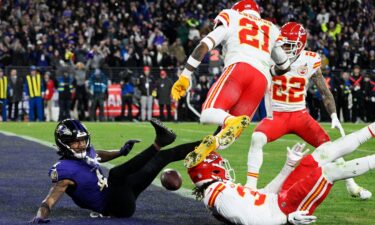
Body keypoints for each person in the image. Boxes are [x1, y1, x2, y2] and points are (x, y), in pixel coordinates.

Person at [245, 22, 372, 199]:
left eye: (289, 45)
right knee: (257, 138)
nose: (284, 49)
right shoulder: (269, 56)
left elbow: (325, 92)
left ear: (300, 45)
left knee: (331, 147)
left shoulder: (310, 60)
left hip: (300, 115)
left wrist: (334, 115)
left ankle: (352, 186)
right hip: (277, 116)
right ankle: (250, 186)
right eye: (282, 44)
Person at [171, 0, 291, 168]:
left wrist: (185, 75)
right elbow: (284, 66)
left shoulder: (232, 16)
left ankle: (229, 121)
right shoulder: (271, 28)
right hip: (262, 79)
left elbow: (204, 45)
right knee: (230, 134)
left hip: (239, 67)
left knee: (208, 113)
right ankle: (213, 143)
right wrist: (269, 72)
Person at [187, 123, 375, 225]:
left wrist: (288, 166)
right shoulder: (219, 196)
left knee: (321, 154)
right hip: (284, 210)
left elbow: (264, 195)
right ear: (211, 169)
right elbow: (251, 222)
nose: (223, 164)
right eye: (218, 162)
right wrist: (287, 219)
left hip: (279, 200)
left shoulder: (220, 189)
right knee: (330, 171)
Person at [30, 118, 201, 223]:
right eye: (75, 142)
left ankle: (211, 142)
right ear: (63, 143)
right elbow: (50, 200)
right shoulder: (64, 171)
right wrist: (40, 216)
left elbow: (98, 155)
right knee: (116, 174)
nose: (81, 144)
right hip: (114, 207)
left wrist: (120, 152)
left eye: (82, 140)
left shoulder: (86, 152)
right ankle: (158, 142)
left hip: (123, 192)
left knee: (164, 157)